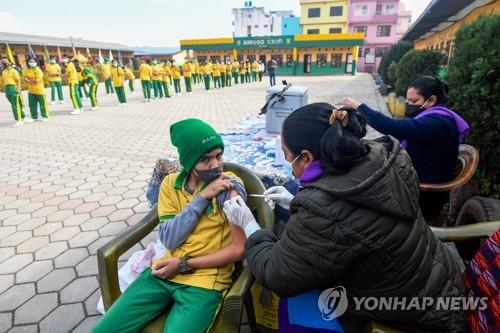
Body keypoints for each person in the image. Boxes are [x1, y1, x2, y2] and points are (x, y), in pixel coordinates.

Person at [223, 103, 466, 332]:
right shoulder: (381, 157)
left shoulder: (323, 211)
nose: (289, 164)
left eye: (287, 155)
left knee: (294, 300)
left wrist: (249, 224)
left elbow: (277, 274)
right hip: (436, 282)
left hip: (412, 312)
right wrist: (296, 201)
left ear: (306, 157)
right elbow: (350, 218)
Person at [92, 118, 247, 333]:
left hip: (205, 282)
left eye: (219, 155)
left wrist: (183, 265)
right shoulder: (170, 184)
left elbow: (239, 249)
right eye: (205, 159)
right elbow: (169, 239)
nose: (216, 165)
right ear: (189, 162)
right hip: (164, 273)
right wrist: (200, 199)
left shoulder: (228, 185)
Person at [337, 76, 469, 222]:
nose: (409, 105)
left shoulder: (439, 123)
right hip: (411, 180)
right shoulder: (432, 117)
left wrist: (358, 106)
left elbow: (394, 127)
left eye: (414, 101)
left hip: (422, 195)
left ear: (431, 100)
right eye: (407, 101)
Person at [1, 57, 32, 127]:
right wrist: (5, 91)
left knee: (15, 105)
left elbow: (18, 81)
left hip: (13, 88)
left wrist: (18, 89)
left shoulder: (13, 71)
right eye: (2, 62)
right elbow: (3, 82)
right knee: (15, 104)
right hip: (7, 89)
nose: (4, 63)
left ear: (9, 62)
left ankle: (19, 120)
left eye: (5, 62)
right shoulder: (3, 71)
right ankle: (24, 117)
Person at [23, 57, 49, 122]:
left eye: (33, 61)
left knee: (42, 104)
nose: (32, 63)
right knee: (32, 105)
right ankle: (34, 117)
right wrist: (31, 80)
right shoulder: (27, 70)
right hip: (31, 90)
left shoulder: (38, 70)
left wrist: (28, 80)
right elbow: (24, 78)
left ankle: (45, 116)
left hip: (39, 90)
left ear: (36, 62)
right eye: (30, 61)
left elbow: (37, 81)